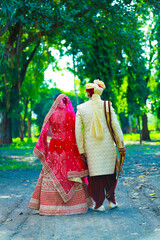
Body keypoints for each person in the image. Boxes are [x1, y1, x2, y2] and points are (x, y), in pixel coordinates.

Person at [28, 93, 92, 215]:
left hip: (55, 147)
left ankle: (49, 206)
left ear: (55, 101)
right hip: (69, 147)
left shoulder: (51, 113)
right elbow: (76, 131)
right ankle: (76, 205)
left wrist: (44, 147)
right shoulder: (71, 114)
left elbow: (45, 130)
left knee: (52, 171)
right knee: (71, 173)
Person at [75, 80, 126, 211]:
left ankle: (98, 205)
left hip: (91, 149)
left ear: (88, 94)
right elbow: (116, 126)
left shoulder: (81, 108)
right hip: (107, 147)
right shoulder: (108, 105)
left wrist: (81, 150)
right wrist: (121, 145)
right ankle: (112, 201)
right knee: (110, 173)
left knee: (95, 175)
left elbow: (78, 133)